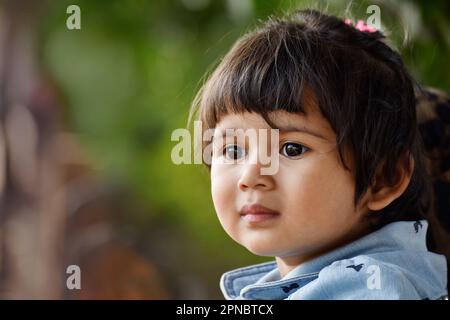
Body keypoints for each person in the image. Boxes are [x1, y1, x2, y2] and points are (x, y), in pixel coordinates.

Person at [189, 9, 448, 299]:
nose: (251, 176)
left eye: (292, 148)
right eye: (233, 150)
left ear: (383, 178)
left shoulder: (369, 289)